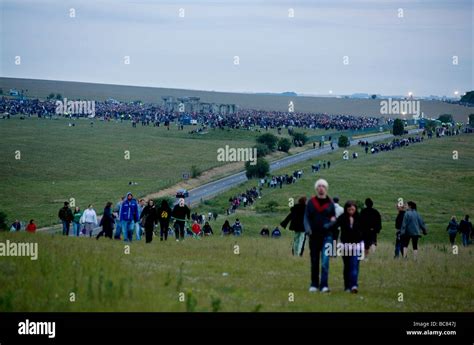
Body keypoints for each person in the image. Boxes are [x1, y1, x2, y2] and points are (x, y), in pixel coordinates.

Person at [304, 179, 336, 293]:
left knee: (325, 261)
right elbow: (306, 217)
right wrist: (308, 229)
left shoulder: (331, 204)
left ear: (326, 188)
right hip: (314, 236)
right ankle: (314, 284)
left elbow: (334, 219)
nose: (321, 188)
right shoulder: (311, 202)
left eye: (323, 186)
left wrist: (330, 224)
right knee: (314, 260)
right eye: (319, 186)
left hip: (327, 236)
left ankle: (324, 285)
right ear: (316, 188)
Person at [333, 201, 363, 293]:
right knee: (347, 266)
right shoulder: (342, 218)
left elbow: (364, 231)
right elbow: (334, 227)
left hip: (357, 246)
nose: (351, 211)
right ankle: (347, 286)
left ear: (355, 209)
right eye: (349, 209)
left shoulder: (359, 218)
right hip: (345, 246)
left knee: (354, 266)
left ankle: (354, 285)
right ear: (346, 209)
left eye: (353, 209)